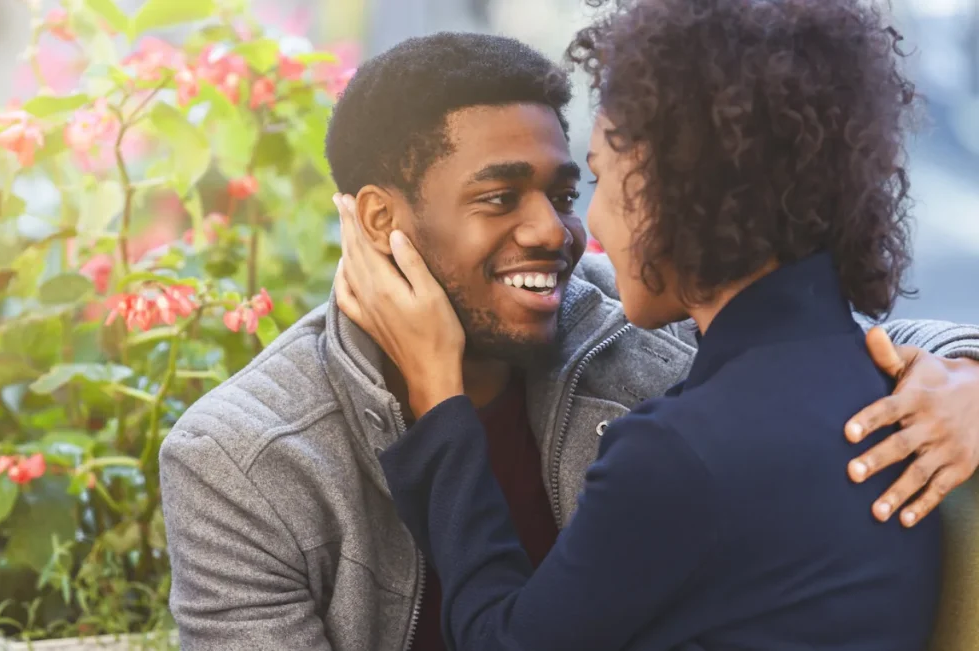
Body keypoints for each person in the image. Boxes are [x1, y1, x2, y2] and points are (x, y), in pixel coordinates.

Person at [160, 32, 979, 651]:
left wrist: (969, 373)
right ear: (380, 222)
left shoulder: (644, 340)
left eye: (567, 189)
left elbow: (866, 340)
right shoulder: (241, 462)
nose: (557, 232)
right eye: (499, 196)